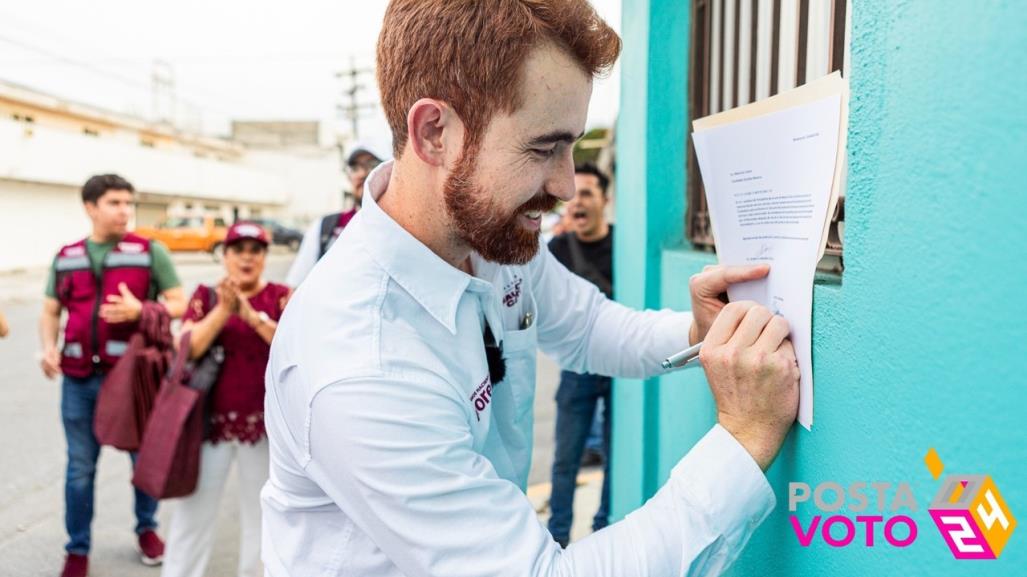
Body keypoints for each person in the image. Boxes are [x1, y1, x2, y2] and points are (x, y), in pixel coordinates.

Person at [261, 2, 799, 576]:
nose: (567, 185)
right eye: (544, 148)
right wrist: (742, 441)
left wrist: (697, 332)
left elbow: (588, 326)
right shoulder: (360, 366)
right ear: (434, 132)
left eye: (572, 147)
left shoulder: (485, 235)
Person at [39, 174, 187, 577]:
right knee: (80, 469)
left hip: (133, 377)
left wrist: (141, 311)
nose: (125, 210)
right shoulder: (66, 256)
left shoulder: (150, 252)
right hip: (78, 380)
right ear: (90, 207)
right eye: (115, 203)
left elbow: (179, 302)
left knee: (143, 461)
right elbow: (51, 309)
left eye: (128, 203)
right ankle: (78, 549)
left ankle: (147, 530)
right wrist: (48, 347)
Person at [161, 222, 289, 577]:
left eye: (256, 250)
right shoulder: (205, 295)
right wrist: (223, 310)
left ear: (264, 257)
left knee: (263, 519)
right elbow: (188, 346)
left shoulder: (281, 296)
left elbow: (293, 346)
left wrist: (251, 315)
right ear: (225, 256)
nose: (247, 258)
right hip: (209, 425)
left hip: (263, 428)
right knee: (193, 516)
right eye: (238, 250)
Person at [545, 163, 615, 546]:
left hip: (622, 369)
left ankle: (602, 530)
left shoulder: (624, 245)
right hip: (577, 369)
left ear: (606, 200)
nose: (578, 201)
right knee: (565, 459)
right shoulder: (556, 250)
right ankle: (557, 539)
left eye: (587, 193)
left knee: (615, 456)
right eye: (573, 195)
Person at [285, 144, 384, 287]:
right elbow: (295, 287)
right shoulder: (325, 227)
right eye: (355, 168)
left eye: (372, 165)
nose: (362, 174)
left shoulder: (404, 227)